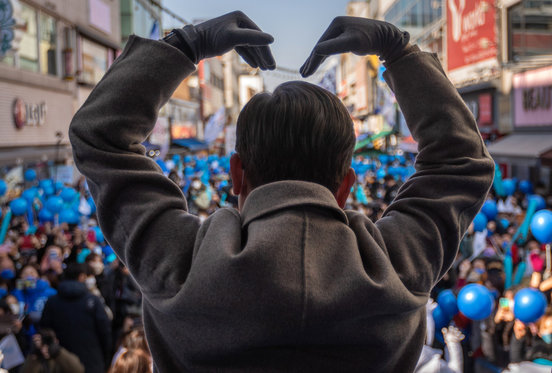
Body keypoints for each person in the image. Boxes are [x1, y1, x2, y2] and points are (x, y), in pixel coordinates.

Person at [68, 11, 494, 372]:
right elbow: (460, 161)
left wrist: (186, 44)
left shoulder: (182, 264)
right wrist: (399, 50)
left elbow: (101, 136)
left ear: (237, 175)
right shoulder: (396, 266)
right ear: (346, 185)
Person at [40, 263, 111, 373]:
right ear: (82, 277)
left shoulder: (52, 301)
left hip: (61, 360)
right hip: (92, 360)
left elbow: (45, 329)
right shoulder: (92, 300)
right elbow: (104, 331)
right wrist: (106, 357)